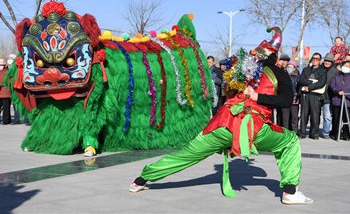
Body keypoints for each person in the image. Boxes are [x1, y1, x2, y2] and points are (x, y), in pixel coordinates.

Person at [129, 27, 313, 205]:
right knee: (289, 141)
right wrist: (259, 97)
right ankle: (290, 191)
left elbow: (228, 92)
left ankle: (141, 179)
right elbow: (287, 100)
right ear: (275, 57)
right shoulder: (278, 72)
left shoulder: (240, 70)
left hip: (221, 124)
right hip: (250, 129)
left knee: (187, 154)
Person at [298, 53, 327, 139]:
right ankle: (302, 133)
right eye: (313, 58)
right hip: (305, 95)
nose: (315, 60)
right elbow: (301, 80)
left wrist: (309, 87)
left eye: (317, 59)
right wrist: (311, 82)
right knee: (304, 115)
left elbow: (322, 82)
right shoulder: (306, 69)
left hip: (316, 96)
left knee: (315, 116)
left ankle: (314, 134)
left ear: (320, 60)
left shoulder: (323, 71)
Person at [329, 61, 350, 140]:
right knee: (336, 119)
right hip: (337, 101)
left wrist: (346, 93)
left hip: (348, 102)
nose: (347, 67)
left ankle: (346, 134)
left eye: (349, 66)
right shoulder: (336, 76)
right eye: (345, 65)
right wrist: (338, 91)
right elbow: (332, 86)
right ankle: (335, 133)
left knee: (347, 118)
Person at [277, 60, 299, 133]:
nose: (289, 68)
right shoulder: (283, 75)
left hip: (294, 99)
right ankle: (285, 133)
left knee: (294, 117)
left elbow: (299, 87)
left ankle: (294, 132)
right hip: (284, 98)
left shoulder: (297, 76)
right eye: (288, 67)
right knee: (285, 118)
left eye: (291, 67)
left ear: (294, 68)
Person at [321, 53, 339, 139]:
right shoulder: (319, 69)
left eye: (329, 61)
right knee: (315, 116)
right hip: (317, 95)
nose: (327, 62)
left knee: (327, 116)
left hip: (328, 97)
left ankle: (325, 132)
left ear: (332, 62)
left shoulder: (335, 72)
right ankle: (314, 131)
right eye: (325, 61)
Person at [0, 57, 12, 124]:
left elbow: (10, 81)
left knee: (6, 109)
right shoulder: (7, 72)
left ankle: (6, 121)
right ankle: (7, 120)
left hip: (6, 94)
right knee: (6, 108)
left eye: (1, 65)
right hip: (4, 93)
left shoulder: (6, 72)